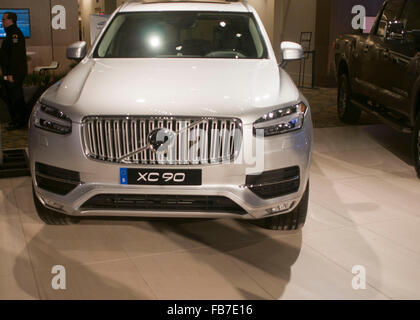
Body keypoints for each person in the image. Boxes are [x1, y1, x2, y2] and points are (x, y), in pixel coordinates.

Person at [1, 12, 28, 130]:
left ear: (10, 20)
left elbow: (15, 57)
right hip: (9, 73)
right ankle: (16, 120)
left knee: (16, 97)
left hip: (15, 73)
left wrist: (11, 73)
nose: (2, 21)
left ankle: (20, 121)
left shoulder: (15, 35)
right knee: (10, 96)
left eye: (4, 19)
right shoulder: (10, 34)